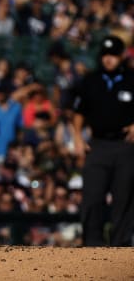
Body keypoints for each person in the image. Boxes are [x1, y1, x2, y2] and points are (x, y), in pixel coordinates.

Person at [73, 35, 134, 246]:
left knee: (124, 199)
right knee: (92, 197)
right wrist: (78, 139)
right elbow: (78, 113)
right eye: (105, 55)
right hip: (97, 145)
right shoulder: (91, 81)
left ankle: (121, 246)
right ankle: (92, 246)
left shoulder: (131, 79)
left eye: (113, 55)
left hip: (125, 146)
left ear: (122, 56)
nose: (109, 59)